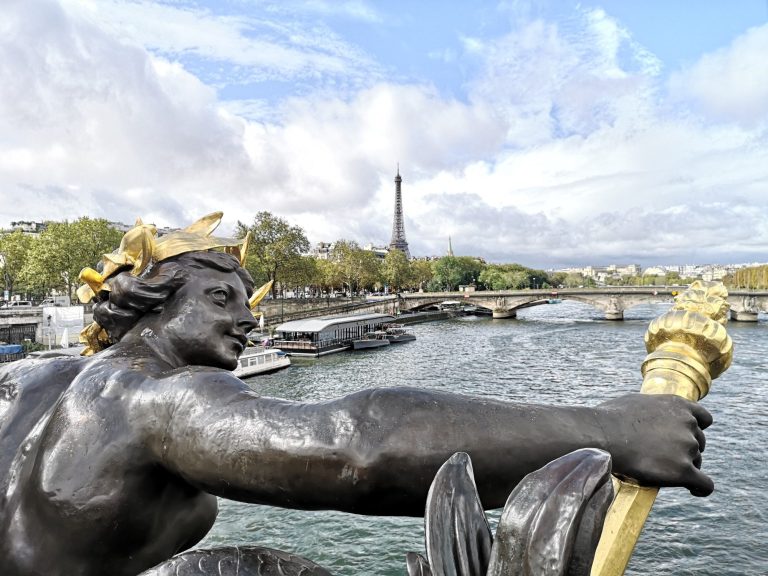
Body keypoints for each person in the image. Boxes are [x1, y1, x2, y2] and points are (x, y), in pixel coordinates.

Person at [0, 216, 713, 576]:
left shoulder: (33, 378)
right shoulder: (153, 393)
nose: (248, 318)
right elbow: (354, 448)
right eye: (221, 297)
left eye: (248, 301)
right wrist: (616, 428)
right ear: (151, 307)